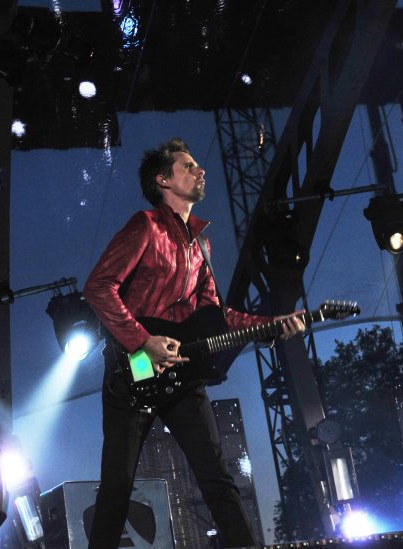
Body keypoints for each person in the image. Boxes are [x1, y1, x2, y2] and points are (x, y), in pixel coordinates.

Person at [83, 137, 306, 548]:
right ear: (163, 180)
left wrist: (271, 324)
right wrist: (142, 341)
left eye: (197, 165)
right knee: (117, 487)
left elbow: (216, 314)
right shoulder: (144, 226)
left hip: (182, 372)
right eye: (188, 166)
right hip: (135, 366)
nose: (200, 170)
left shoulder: (201, 243)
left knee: (218, 478)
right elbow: (98, 287)